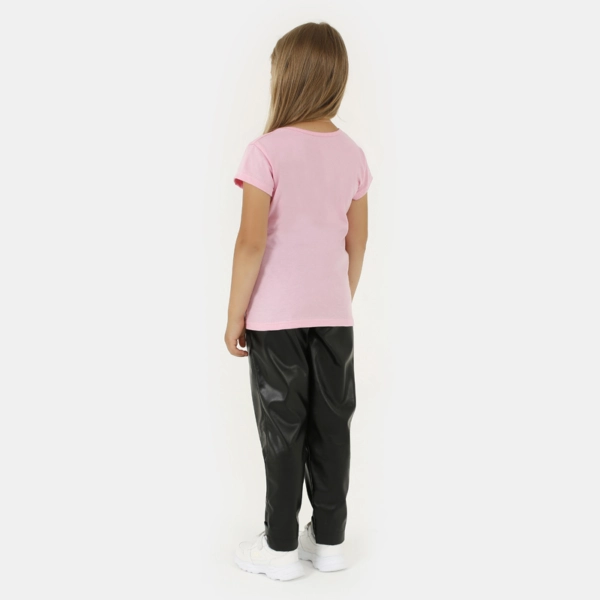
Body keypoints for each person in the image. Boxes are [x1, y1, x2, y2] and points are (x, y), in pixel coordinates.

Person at [224, 21, 373, 581]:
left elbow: (251, 242)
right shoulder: (353, 154)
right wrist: (338, 298)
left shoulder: (265, 152)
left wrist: (235, 315)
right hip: (334, 317)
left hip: (275, 319)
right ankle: (329, 542)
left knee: (282, 430)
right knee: (332, 428)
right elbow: (358, 241)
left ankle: (282, 548)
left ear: (286, 78)